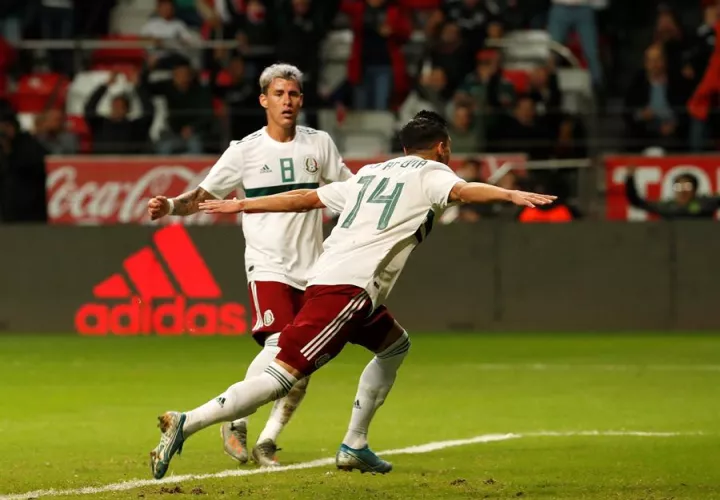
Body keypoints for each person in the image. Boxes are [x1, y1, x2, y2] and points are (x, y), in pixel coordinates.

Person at [148, 110, 555, 478]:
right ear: (443, 146)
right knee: (282, 375)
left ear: (402, 147)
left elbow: (303, 198)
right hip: (347, 292)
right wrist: (510, 194)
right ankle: (189, 421)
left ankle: (354, 444)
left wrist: (243, 205)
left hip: (339, 284)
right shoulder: (434, 173)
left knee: (395, 346)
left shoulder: (369, 174)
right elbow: (465, 192)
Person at [146, 63, 354, 468]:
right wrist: (170, 205)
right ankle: (235, 422)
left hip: (313, 268)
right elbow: (202, 196)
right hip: (268, 265)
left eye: (293, 94)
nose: (287, 101)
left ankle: (266, 439)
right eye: (279, 94)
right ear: (264, 100)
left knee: (302, 361)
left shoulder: (319, 144)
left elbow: (350, 188)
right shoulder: (245, 151)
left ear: (301, 99)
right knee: (280, 345)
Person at [625, 166, 720, 219]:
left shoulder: (704, 204)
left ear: (694, 190)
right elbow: (636, 201)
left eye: (687, 187)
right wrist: (630, 179)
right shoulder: (667, 207)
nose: (683, 191)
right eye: (678, 187)